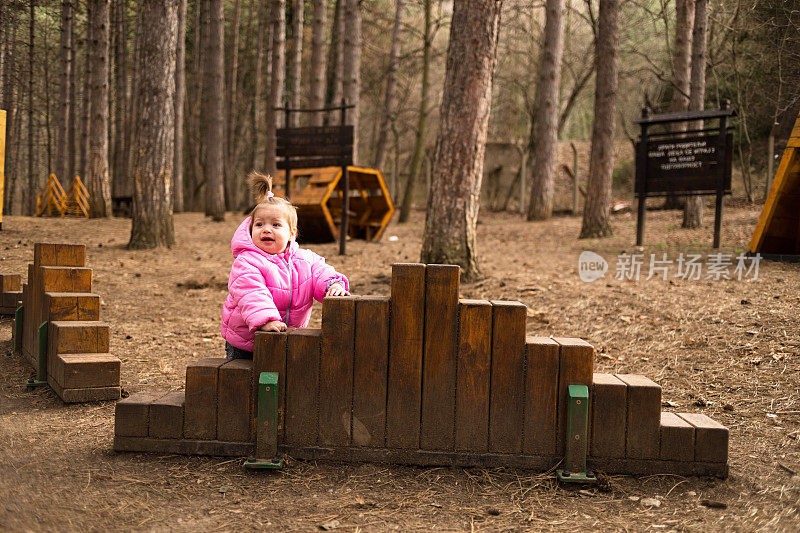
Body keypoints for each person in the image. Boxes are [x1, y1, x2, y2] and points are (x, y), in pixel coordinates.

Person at [221, 172, 350, 359]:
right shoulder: (247, 261)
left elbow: (321, 271)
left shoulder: (304, 259)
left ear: (291, 233)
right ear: (251, 230)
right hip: (247, 341)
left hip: (287, 337)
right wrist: (266, 320)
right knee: (245, 379)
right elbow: (251, 292)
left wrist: (333, 285)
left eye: (275, 224)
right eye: (259, 224)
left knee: (280, 379)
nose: (266, 229)